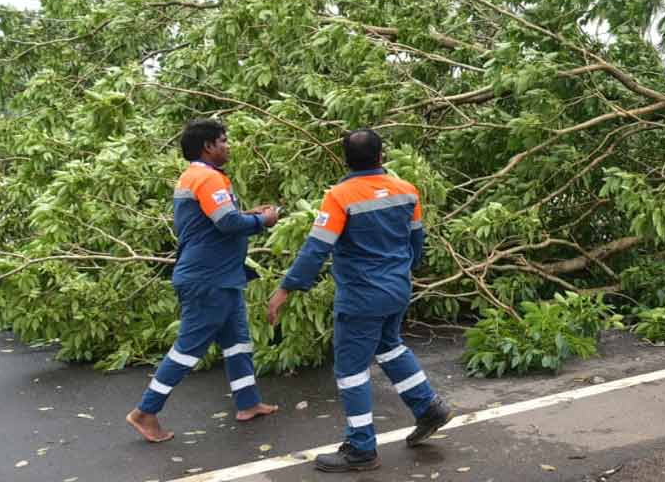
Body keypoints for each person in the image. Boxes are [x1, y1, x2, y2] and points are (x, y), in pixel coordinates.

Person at [267, 129, 452, 473]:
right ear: (382, 156)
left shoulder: (340, 197)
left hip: (361, 297)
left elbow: (316, 248)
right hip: (397, 289)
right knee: (390, 346)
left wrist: (285, 289)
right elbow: (417, 243)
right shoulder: (407, 192)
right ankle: (429, 408)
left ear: (344, 160)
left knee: (351, 370)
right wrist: (400, 272)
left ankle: (361, 448)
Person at [126, 119, 280, 443]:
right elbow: (226, 223)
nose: (229, 145)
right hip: (208, 279)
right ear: (208, 146)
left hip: (223, 278)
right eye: (224, 140)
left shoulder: (195, 176)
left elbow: (207, 221)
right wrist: (262, 221)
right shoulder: (208, 178)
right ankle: (145, 412)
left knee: (238, 343)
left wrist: (248, 213)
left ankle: (248, 403)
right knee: (187, 350)